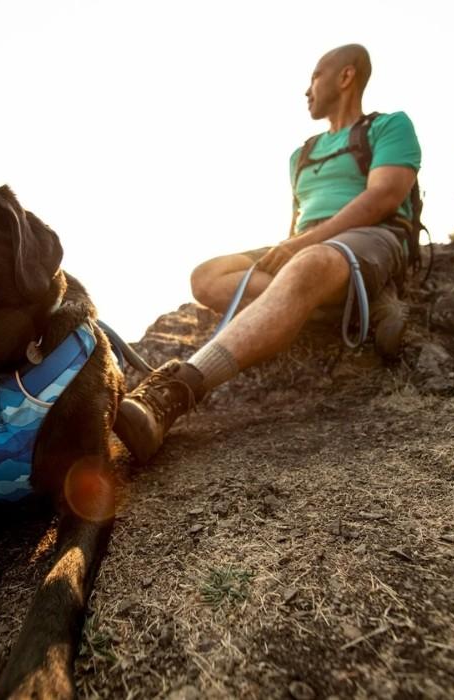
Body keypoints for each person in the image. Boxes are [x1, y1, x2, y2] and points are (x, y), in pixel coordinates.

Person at [114, 44, 422, 465]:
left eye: (315, 76)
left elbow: (384, 196)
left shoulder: (390, 126)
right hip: (311, 246)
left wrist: (302, 248)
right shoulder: (303, 153)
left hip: (373, 235)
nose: (306, 90)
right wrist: (296, 247)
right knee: (207, 275)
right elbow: (298, 223)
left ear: (345, 76)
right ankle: (339, 307)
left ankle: (178, 390)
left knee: (309, 264)